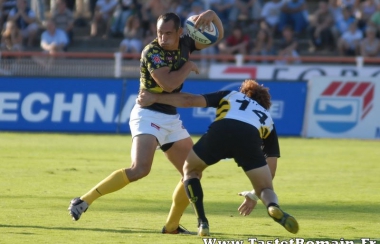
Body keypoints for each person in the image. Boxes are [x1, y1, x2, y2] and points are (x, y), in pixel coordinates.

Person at [68, 10, 224, 235]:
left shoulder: (186, 44)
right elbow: (169, 85)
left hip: (171, 117)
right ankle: (83, 200)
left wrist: (212, 15)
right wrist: (188, 66)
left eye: (168, 33)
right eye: (160, 33)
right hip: (147, 114)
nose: (163, 38)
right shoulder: (152, 52)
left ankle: (171, 227)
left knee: (193, 173)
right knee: (140, 169)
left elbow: (217, 36)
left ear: (180, 32)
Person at [136, 79, 299, 237]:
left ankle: (202, 222)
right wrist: (253, 195)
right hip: (250, 138)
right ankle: (272, 207)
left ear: (244, 93)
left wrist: (156, 97)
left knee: (190, 170)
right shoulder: (267, 119)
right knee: (266, 188)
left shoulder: (232, 95)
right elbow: (271, 170)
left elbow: (189, 100)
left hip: (222, 130)